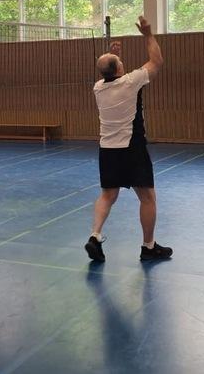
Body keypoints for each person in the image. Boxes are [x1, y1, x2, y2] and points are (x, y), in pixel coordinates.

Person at [85, 16, 172, 262]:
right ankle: (148, 246)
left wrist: (113, 56)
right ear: (120, 70)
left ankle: (95, 235)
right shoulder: (131, 82)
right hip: (131, 148)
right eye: (121, 63)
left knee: (107, 195)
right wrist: (148, 34)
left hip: (107, 148)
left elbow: (109, 71)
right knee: (147, 197)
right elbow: (157, 61)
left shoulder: (98, 88)